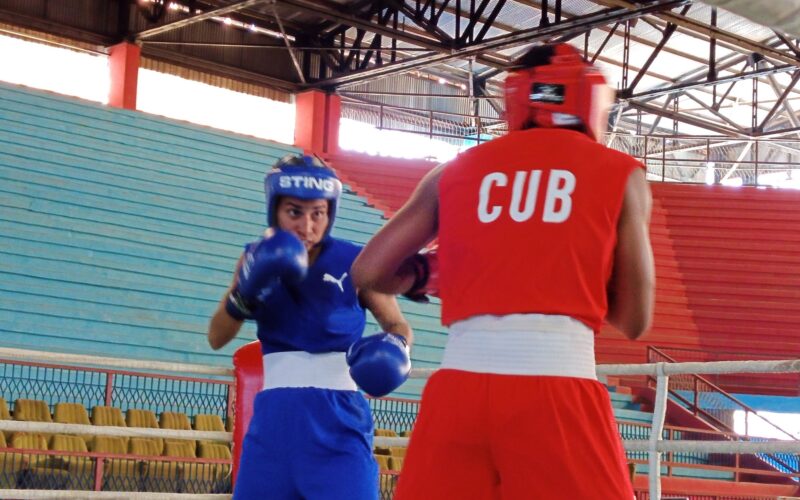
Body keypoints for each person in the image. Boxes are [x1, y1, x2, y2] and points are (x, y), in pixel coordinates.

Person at [351, 43, 655, 499]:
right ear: (591, 100)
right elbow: (635, 319)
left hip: (458, 392)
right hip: (557, 390)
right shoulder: (619, 173)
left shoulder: (453, 172)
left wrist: (436, 272)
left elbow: (369, 272)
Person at [207, 154, 413, 500]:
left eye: (318, 213)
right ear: (274, 210)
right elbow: (216, 337)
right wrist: (244, 294)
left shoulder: (355, 262)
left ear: (330, 213)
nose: (307, 226)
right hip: (274, 424)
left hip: (339, 422)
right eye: (294, 212)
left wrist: (396, 348)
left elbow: (396, 323)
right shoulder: (253, 259)